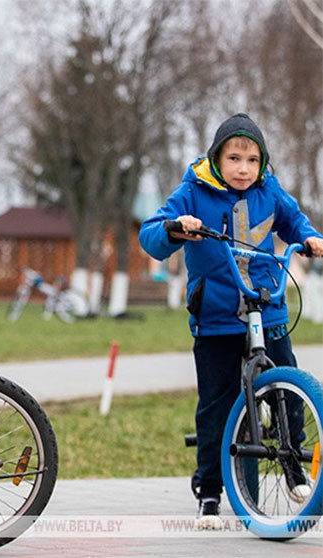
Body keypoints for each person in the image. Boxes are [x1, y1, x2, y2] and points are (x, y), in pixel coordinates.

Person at [138, 113, 323, 530]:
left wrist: (310, 238)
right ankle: (210, 491)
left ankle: (294, 464)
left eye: (253, 160)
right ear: (217, 158)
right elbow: (150, 236)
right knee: (217, 408)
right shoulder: (193, 191)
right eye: (235, 158)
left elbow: (294, 220)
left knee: (289, 392)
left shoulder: (268, 190)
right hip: (217, 317)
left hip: (267, 307)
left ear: (262, 163)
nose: (244, 168)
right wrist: (175, 228)